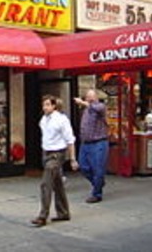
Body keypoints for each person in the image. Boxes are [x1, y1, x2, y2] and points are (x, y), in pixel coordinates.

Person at [31, 95, 78, 227]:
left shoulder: (61, 120)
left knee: (45, 184)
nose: (44, 107)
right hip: (46, 153)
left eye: (47, 105)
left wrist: (72, 159)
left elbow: (70, 140)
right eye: (43, 104)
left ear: (54, 106)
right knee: (57, 183)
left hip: (57, 154)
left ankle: (42, 216)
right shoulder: (43, 120)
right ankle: (63, 212)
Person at [75, 89, 109, 203]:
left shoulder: (100, 107)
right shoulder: (86, 110)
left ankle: (97, 194)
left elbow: (96, 108)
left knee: (98, 168)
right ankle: (98, 183)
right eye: (87, 97)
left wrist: (84, 103)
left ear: (97, 97)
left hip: (98, 142)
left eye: (92, 96)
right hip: (85, 143)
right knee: (83, 167)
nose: (90, 99)